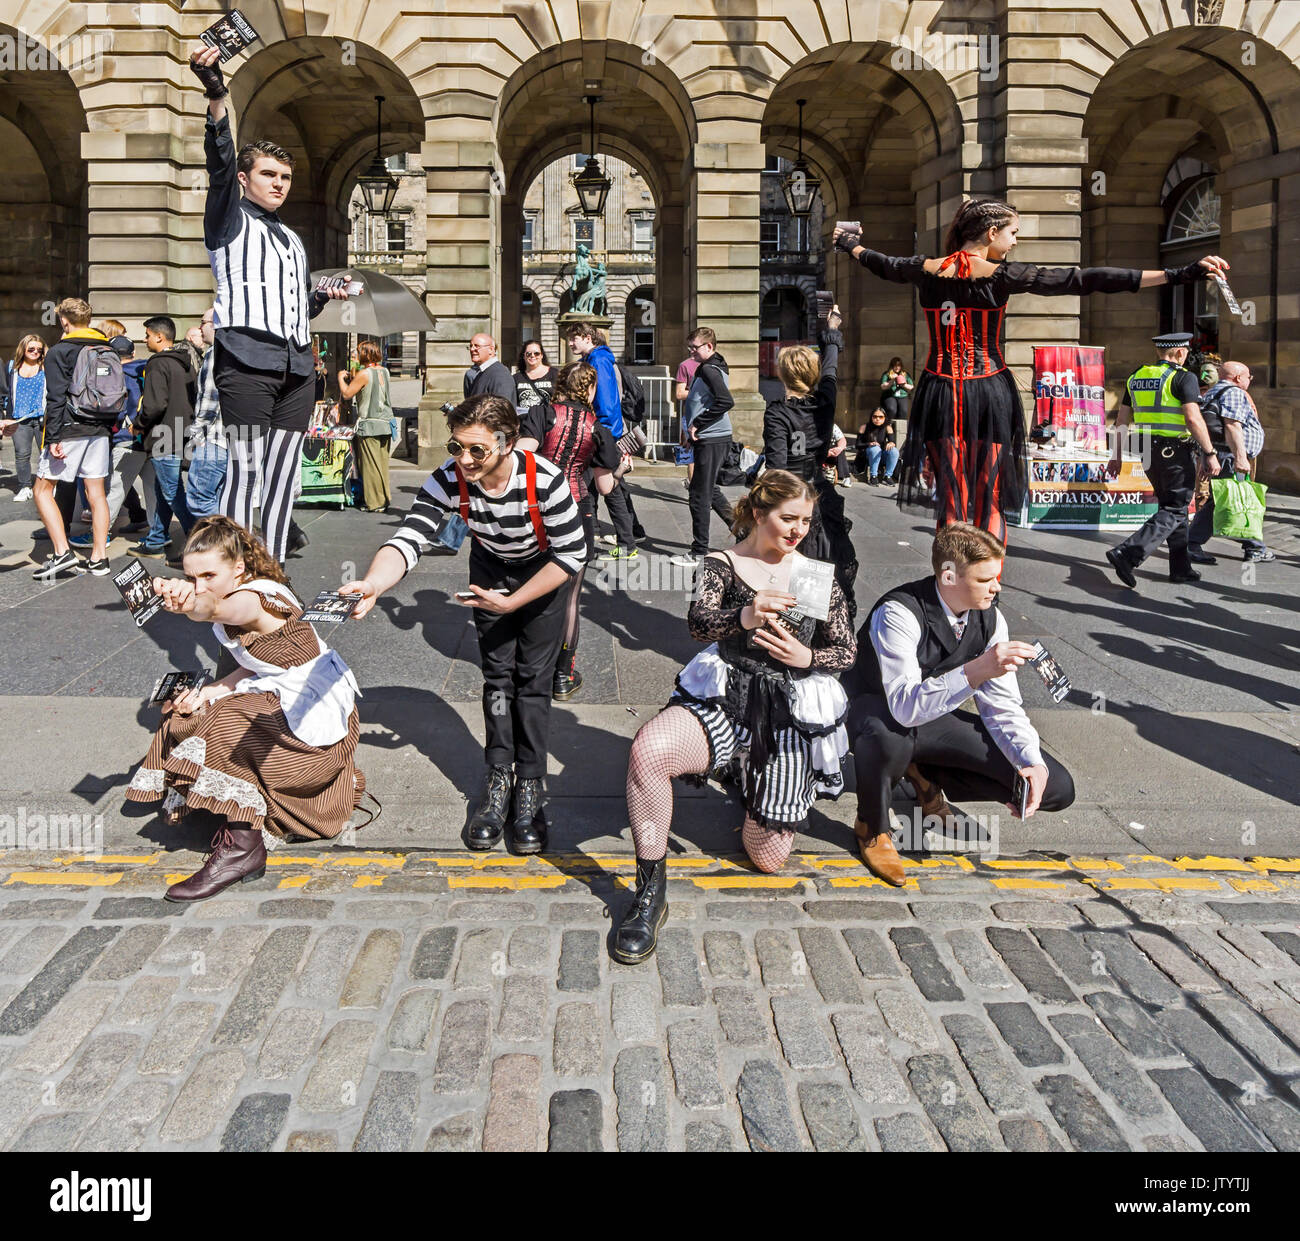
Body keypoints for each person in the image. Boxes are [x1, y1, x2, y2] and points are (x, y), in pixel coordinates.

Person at [833, 200, 1230, 542]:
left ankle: (950, 580)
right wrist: (1178, 274)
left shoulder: (925, 269)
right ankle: (989, 587)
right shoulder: (1003, 275)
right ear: (991, 233)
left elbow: (879, 262)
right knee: (987, 493)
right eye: (1013, 232)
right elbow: (1084, 280)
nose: (1016, 241)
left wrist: (849, 242)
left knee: (951, 495)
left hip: (939, 389)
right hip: (987, 389)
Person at [614, 471, 855, 963]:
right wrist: (745, 615)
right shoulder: (722, 564)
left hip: (787, 711)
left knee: (767, 858)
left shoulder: (812, 573)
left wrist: (805, 659)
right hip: (727, 693)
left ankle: (751, 785)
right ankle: (649, 890)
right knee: (649, 752)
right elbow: (700, 624)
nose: (797, 531)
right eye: (788, 519)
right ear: (759, 513)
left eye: (805, 521)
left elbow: (846, 650)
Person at [342, 394, 587, 855]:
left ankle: (531, 786)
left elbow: (572, 555)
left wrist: (514, 602)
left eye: (477, 450)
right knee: (497, 679)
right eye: (456, 447)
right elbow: (411, 535)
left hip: (542, 575)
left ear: (508, 442)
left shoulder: (546, 480)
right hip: (490, 569)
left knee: (532, 682)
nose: (465, 460)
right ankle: (498, 779)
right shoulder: (450, 479)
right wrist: (375, 583)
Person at [125, 516, 366, 901]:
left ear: (238, 567)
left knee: (221, 722)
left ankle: (242, 850)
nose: (200, 585)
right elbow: (257, 661)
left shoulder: (252, 599)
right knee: (188, 708)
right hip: (282, 694)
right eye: (192, 577)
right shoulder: (239, 590)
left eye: (209, 575)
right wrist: (215, 688)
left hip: (309, 716)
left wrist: (190, 602)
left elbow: (213, 609)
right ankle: (231, 810)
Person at [189, 45, 355, 564]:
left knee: (285, 472)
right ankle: (238, 573)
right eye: (269, 176)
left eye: (285, 178)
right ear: (246, 179)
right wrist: (217, 94)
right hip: (245, 361)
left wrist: (322, 295)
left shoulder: (291, 239)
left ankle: (274, 569)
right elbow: (218, 165)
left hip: (297, 365)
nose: (279, 185)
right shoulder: (227, 218)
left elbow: (292, 307)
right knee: (244, 468)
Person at [843, 523, 1075, 886]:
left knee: (1056, 787)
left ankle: (923, 775)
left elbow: (1003, 706)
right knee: (890, 738)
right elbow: (903, 706)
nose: (997, 587)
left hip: (930, 717)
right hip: (876, 711)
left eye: (996, 577)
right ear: (949, 575)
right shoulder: (898, 613)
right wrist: (977, 669)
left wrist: (1029, 760)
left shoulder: (990, 618)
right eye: (985, 580)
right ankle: (872, 826)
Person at [517, 360, 624, 700]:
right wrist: (620, 467)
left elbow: (523, 456)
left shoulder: (542, 414)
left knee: (533, 586)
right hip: (578, 511)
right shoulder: (599, 430)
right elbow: (606, 486)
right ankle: (562, 676)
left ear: (560, 384)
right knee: (571, 597)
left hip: (539, 512)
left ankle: (531, 666)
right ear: (590, 389)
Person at [1104, 332, 1222, 589]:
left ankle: (1181, 568)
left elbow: (1122, 420)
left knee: (1170, 506)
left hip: (1147, 452)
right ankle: (1128, 552)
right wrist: (1210, 453)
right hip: (1175, 452)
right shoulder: (1183, 377)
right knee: (1176, 507)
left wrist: (1116, 456)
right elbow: (1193, 419)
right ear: (1180, 352)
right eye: (1187, 352)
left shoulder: (1137, 376)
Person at [760, 314, 859, 618]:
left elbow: (777, 467)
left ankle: (791, 624)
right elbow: (830, 369)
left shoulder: (777, 412)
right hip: (820, 492)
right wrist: (831, 331)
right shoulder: (825, 402)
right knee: (823, 564)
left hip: (790, 495)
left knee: (786, 567)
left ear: (784, 375)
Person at [31, 299, 115, 580]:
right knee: (97, 493)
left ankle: (61, 552)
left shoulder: (59, 351)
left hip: (68, 429)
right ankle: (99, 558)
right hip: (100, 430)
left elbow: (55, 397)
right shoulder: (106, 347)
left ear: (64, 321)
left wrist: (52, 436)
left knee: (42, 490)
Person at [565, 322, 643, 560]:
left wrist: (601, 436)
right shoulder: (595, 359)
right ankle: (619, 537)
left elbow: (607, 403)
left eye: (573, 339)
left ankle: (627, 544)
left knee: (609, 489)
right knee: (602, 487)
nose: (570, 344)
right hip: (602, 433)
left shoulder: (598, 361)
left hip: (602, 434)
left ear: (587, 337)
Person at [1186, 360, 1273, 565]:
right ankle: (1254, 547)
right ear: (1238, 377)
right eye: (1248, 377)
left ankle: (1192, 542)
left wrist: (1206, 456)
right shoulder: (1233, 392)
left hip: (1220, 455)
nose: (1249, 381)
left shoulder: (1211, 393)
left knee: (1220, 500)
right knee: (1242, 500)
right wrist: (1241, 457)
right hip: (1231, 456)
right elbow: (1232, 426)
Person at [129, 315, 197, 557]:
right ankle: (157, 537)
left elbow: (154, 405)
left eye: (147, 335)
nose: (145, 339)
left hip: (163, 437)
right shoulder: (185, 362)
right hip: (181, 433)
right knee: (163, 488)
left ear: (159, 336)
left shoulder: (157, 363)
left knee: (172, 492)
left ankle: (200, 544)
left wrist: (138, 424)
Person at [670, 326, 735, 568]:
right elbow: (701, 401)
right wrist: (690, 430)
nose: (691, 351)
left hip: (712, 438)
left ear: (709, 346)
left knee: (698, 495)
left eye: (695, 347)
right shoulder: (712, 365)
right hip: (707, 437)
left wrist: (697, 423)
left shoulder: (709, 369)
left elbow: (726, 401)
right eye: (690, 347)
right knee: (709, 490)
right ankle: (743, 530)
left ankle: (698, 552)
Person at [184, 308, 229, 520]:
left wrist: (196, 436)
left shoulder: (215, 353)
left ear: (215, 324)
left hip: (212, 439)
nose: (200, 328)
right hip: (228, 440)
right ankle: (224, 550)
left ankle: (236, 540)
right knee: (218, 498)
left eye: (203, 323)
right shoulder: (231, 351)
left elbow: (209, 400)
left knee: (199, 499)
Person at [339, 340, 393, 513]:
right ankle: (384, 498)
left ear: (366, 354)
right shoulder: (384, 371)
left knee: (369, 465)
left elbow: (347, 394)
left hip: (369, 425)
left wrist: (341, 378)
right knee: (381, 464)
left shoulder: (364, 373)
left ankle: (374, 502)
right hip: (385, 423)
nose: (355, 354)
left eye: (358, 351)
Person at [7, 335, 47, 501]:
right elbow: (7, 393)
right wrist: (7, 417)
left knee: (46, 454)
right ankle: (25, 487)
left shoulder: (46, 367)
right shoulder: (12, 368)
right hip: (19, 418)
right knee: (21, 454)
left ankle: (48, 486)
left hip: (42, 418)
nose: (35, 352)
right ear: (23, 349)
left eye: (39, 349)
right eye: (31, 349)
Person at [463, 333, 517, 401]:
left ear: (491, 350)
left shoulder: (500, 374)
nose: (472, 349)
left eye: (477, 346)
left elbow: (501, 409)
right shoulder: (482, 373)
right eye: (470, 346)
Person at [860, 406, 900, 484]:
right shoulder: (865, 427)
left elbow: (892, 441)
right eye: (875, 416)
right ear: (871, 417)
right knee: (875, 448)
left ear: (885, 417)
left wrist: (891, 443)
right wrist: (869, 444)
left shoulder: (888, 427)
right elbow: (858, 444)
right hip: (869, 455)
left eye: (881, 417)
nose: (877, 419)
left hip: (881, 455)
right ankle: (873, 476)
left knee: (894, 451)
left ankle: (888, 476)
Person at [514, 341, 557, 412]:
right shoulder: (516, 378)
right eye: (528, 354)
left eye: (536, 353)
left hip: (548, 421)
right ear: (524, 356)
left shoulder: (555, 374)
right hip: (525, 421)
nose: (532, 356)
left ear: (542, 355)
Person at [880, 357, 914, 422]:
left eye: (899, 365)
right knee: (891, 409)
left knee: (904, 411)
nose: (897, 367)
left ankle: (900, 429)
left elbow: (911, 387)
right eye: (895, 365)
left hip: (902, 396)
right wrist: (892, 381)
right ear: (892, 366)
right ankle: (889, 426)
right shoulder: (887, 374)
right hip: (890, 395)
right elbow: (883, 386)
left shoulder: (905, 374)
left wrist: (903, 384)